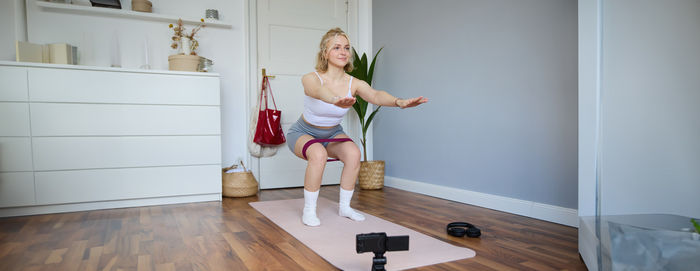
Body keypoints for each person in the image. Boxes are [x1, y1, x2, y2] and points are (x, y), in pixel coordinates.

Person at [286, 28, 428, 227]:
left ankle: (345, 207)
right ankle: (309, 211)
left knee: (354, 153)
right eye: (336, 47)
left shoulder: (353, 83)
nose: (343, 51)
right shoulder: (311, 78)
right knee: (318, 155)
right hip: (303, 132)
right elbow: (317, 92)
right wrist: (335, 100)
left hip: (333, 133)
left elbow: (375, 95)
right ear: (325, 53)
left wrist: (399, 102)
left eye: (346, 47)